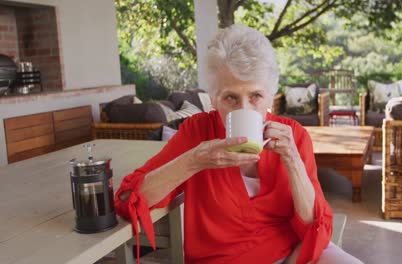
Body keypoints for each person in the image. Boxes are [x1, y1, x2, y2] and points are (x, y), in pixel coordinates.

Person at [115, 24, 362, 264]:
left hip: (297, 252)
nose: (245, 109)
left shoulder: (293, 136)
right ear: (213, 99)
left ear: (270, 95)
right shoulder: (197, 132)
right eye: (231, 97)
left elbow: (313, 225)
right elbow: (131, 199)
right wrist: (193, 161)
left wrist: (292, 160)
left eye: (255, 96)